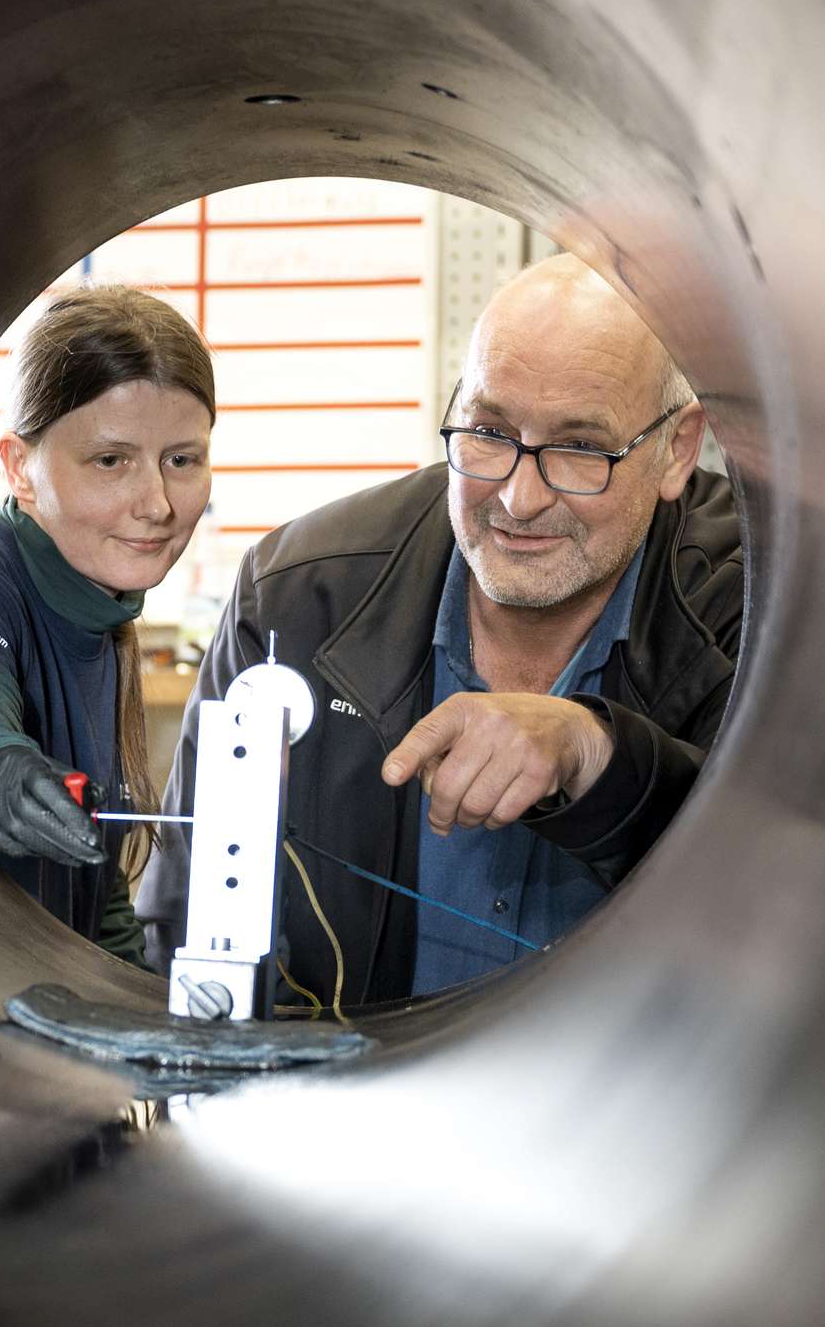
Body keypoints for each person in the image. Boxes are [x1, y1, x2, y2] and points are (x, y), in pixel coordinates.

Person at [142, 253, 744, 1007]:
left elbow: (799, 903)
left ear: (676, 450)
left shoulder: (763, 610)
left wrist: (596, 754)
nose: (520, 499)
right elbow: (177, 932)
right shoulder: (297, 595)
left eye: (581, 448)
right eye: (489, 431)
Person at [0, 284, 215, 965]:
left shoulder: (104, 611)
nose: (157, 503)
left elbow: (94, 894)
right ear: (20, 467)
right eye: (111, 461)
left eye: (182, 460)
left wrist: (141, 999)